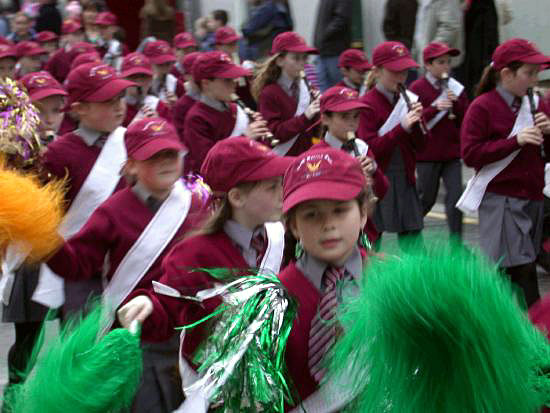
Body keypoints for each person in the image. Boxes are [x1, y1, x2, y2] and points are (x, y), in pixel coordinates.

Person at [117, 137, 292, 411]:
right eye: (271, 187)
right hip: (211, 388)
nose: (283, 192)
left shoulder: (278, 237)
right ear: (237, 197)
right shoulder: (194, 253)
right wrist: (150, 304)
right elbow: (170, 302)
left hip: (265, 380)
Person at [45, 117, 205, 412]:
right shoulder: (113, 210)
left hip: (188, 330)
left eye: (171, 154)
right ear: (130, 165)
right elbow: (78, 264)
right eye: (153, 156)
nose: (165, 162)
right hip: (135, 333)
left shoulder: (197, 204)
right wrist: (45, 240)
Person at [33, 62, 135, 315]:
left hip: (130, 261)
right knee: (85, 345)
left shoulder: (133, 140)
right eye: (106, 100)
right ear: (79, 109)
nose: (118, 105)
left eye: (120, 97)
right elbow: (45, 212)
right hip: (82, 267)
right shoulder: (58, 154)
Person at [458, 38, 550, 308]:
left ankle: (493, 326)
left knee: (508, 271)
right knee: (522, 270)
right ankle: (537, 334)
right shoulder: (483, 106)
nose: (534, 81)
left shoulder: (536, 103)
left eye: (537, 74)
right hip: (502, 198)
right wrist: (515, 140)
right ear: (506, 74)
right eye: (529, 73)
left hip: (532, 195)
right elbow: (471, 154)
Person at [278, 148, 370, 410]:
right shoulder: (274, 299)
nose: (328, 224)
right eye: (311, 214)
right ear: (293, 226)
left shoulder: (391, 278)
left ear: (362, 213)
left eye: (340, 210)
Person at [1, 71, 67, 410]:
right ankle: (15, 390)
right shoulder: (12, 146)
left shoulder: (58, 146)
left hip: (50, 245)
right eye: (43, 108)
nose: (50, 117)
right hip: (20, 249)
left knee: (47, 326)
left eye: (57, 109)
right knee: (27, 330)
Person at [358, 41, 426, 251]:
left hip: (404, 175)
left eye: (405, 73)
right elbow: (370, 148)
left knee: (413, 242)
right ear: (377, 71)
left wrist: (417, 124)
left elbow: (423, 146)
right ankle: (370, 282)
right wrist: (401, 127)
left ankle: (414, 282)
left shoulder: (406, 100)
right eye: (395, 72)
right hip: (379, 177)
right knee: (372, 241)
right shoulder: (367, 103)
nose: (401, 78)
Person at [312, 86, 388, 244]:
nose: (352, 124)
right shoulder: (316, 155)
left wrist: (373, 171)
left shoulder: (361, 147)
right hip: (335, 232)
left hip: (366, 230)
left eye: (356, 117)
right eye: (345, 117)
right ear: (325, 119)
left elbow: (383, 190)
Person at [409, 42, 468, 240]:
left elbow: (466, 118)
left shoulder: (455, 87)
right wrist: (434, 108)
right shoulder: (417, 88)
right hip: (428, 153)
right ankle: (411, 234)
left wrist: (456, 104)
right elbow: (412, 119)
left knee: (456, 197)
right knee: (426, 198)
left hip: (451, 152)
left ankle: (457, 243)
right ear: (428, 64)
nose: (446, 67)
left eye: (448, 62)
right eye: (441, 62)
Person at [182, 51, 269, 173]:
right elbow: (208, 164)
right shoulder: (196, 118)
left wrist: (259, 134)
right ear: (206, 83)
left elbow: (258, 151)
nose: (234, 84)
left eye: (234, 79)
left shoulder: (236, 109)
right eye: (227, 80)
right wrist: (244, 138)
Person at [253, 31, 320, 156]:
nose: (302, 63)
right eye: (296, 58)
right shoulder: (269, 93)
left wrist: (321, 111)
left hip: (304, 156)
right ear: (280, 61)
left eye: (304, 58)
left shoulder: (308, 88)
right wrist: (305, 116)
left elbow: (316, 131)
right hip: (281, 160)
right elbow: (274, 134)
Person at [120, 52, 173, 126]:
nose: (138, 82)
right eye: (132, 77)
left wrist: (159, 124)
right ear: (122, 79)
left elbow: (172, 135)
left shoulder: (159, 106)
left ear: (151, 79)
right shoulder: (117, 107)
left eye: (143, 77)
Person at [313, 0, 352, 91]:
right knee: (322, 90)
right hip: (322, 51)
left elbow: (342, 19)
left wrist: (323, 36)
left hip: (335, 52)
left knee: (338, 90)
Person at [172, 51, 201, 142]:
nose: (201, 77)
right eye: (195, 73)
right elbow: (182, 139)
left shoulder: (217, 97)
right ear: (185, 76)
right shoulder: (182, 105)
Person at [143, 39, 183, 104]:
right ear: (149, 62)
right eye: (160, 64)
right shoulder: (142, 83)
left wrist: (176, 104)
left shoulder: (176, 83)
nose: (165, 68)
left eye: (168, 63)